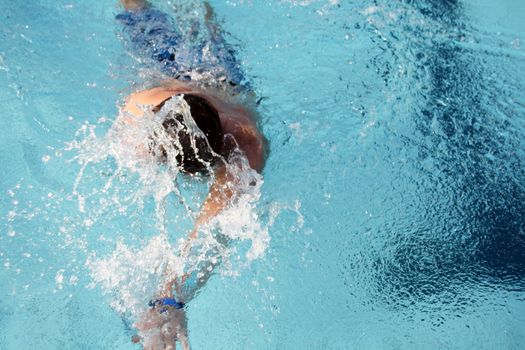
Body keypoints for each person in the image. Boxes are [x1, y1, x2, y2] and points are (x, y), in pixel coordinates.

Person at [115, 0, 267, 348]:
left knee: (206, 24)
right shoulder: (142, 106)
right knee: (140, 13)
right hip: (167, 68)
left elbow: (212, 225)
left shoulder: (245, 141)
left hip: (220, 77)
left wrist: (169, 300)